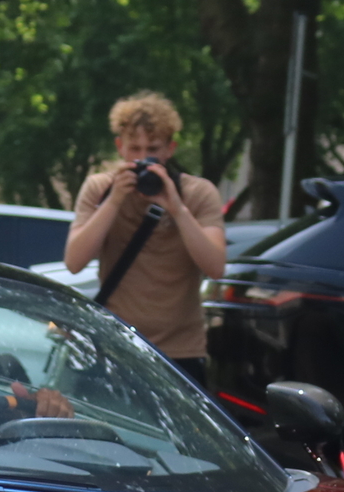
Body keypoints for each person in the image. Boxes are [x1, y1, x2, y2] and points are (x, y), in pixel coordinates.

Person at [61, 91, 227, 382]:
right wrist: (113, 201)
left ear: (170, 149)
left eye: (152, 149)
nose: (141, 159)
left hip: (180, 351)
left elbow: (215, 267)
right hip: (115, 345)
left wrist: (176, 207)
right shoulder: (100, 188)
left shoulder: (198, 194)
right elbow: (74, 261)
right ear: (119, 147)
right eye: (134, 148)